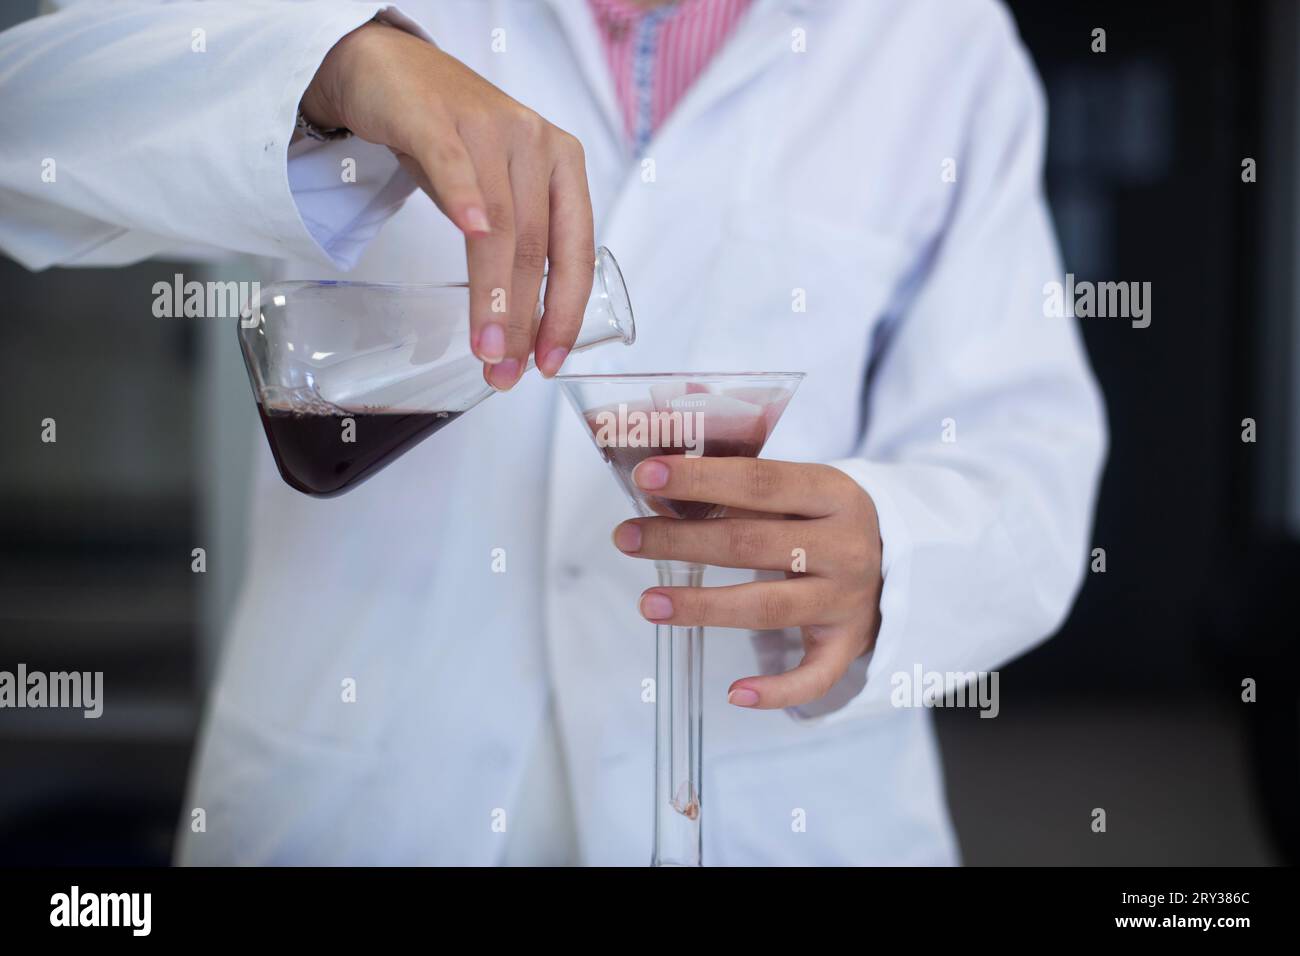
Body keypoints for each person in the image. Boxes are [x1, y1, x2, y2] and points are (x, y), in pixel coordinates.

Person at [0, 0, 1107, 865]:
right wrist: (334, 62)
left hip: (784, 813)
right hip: (371, 807)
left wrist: (896, 553)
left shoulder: (940, 43)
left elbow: (1027, 454)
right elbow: (26, 119)